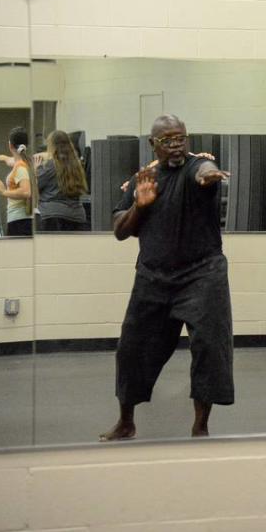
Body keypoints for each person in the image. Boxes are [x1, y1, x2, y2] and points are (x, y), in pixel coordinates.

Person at [99, 114, 233, 441]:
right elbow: (120, 231)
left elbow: (203, 173)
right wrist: (140, 207)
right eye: (167, 140)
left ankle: (200, 426)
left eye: (180, 138)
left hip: (202, 273)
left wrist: (210, 175)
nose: (175, 145)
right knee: (131, 348)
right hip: (153, 276)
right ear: (152, 144)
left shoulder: (197, 167)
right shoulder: (142, 180)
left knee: (209, 347)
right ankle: (126, 422)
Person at [36, 130, 89, 231]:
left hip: (53, 216)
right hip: (77, 216)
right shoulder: (77, 165)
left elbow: (33, 188)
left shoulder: (48, 166)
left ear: (51, 146)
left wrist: (35, 169)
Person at [0, 126, 35, 236]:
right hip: (22, 220)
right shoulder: (25, 162)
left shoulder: (21, 167)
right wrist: (5, 158)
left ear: (10, 145)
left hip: (20, 221)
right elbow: (12, 161)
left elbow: (26, 192)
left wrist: (3, 191)